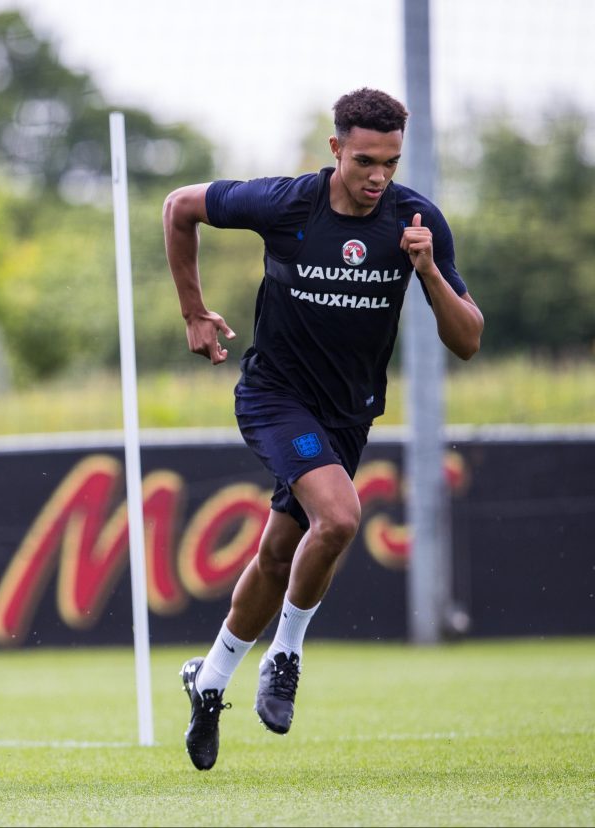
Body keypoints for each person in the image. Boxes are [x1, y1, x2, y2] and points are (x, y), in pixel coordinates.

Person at [162, 87, 484, 771]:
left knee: (281, 552)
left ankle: (210, 680)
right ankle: (286, 655)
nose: (377, 177)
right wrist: (193, 310)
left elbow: (469, 340)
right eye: (365, 160)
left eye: (390, 163)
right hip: (275, 398)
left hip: (348, 415)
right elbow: (179, 207)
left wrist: (427, 271)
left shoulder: (416, 220)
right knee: (337, 518)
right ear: (335, 149)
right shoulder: (287, 205)